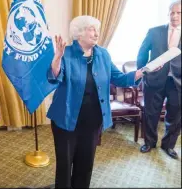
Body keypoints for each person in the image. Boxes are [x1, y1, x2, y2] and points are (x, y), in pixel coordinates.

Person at [46, 15, 145, 188]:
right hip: (66, 118)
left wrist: (140, 73)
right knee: (65, 163)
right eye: (92, 29)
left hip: (93, 119)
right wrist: (57, 58)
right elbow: (55, 77)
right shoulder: (66, 53)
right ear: (79, 33)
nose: (96, 33)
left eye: (96, 29)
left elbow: (119, 78)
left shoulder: (103, 54)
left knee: (86, 162)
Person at [137, 0, 181, 159]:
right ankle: (149, 142)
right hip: (154, 79)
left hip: (178, 82)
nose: (175, 16)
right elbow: (142, 53)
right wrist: (142, 73)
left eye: (179, 13)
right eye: (172, 12)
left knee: (175, 116)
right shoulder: (154, 31)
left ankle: (168, 145)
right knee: (151, 113)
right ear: (168, 14)